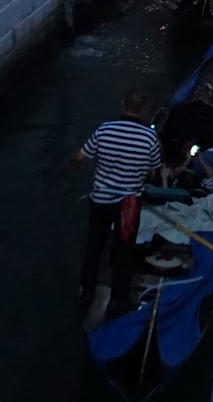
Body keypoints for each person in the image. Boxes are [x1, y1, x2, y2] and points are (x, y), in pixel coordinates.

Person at [74, 88, 162, 315]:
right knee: (124, 250)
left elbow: (80, 158)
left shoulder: (104, 130)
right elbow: (154, 169)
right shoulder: (149, 136)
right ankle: (118, 299)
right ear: (142, 110)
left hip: (101, 200)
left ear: (123, 103)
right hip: (128, 206)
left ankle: (87, 295)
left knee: (94, 246)